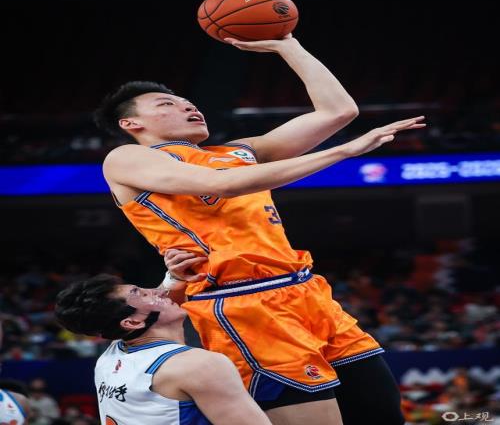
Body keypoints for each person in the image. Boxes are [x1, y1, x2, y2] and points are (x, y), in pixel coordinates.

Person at [94, 34, 425, 424]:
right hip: (242, 302)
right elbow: (223, 185)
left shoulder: (238, 152)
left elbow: (338, 112)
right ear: (130, 123)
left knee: (382, 414)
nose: (188, 106)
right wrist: (343, 151)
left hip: (306, 292)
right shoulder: (127, 158)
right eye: (166, 104)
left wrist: (287, 45)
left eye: (188, 102)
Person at [54, 274, 271, 425]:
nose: (156, 291)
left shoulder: (111, 356)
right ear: (132, 323)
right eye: (141, 293)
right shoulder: (198, 366)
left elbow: (147, 310)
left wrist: (173, 277)